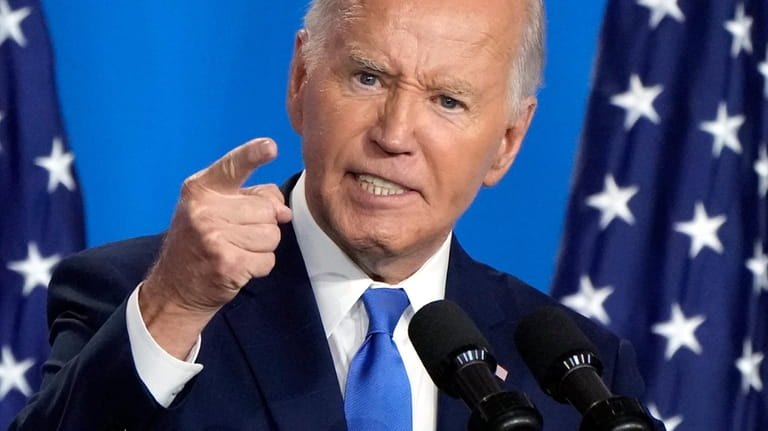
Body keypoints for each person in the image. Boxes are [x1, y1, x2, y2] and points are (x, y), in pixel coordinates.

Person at [12, 0, 663, 429]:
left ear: (508, 142)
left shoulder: (581, 376)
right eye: (369, 78)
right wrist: (176, 301)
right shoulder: (140, 296)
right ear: (300, 77)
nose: (396, 133)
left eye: (448, 101)